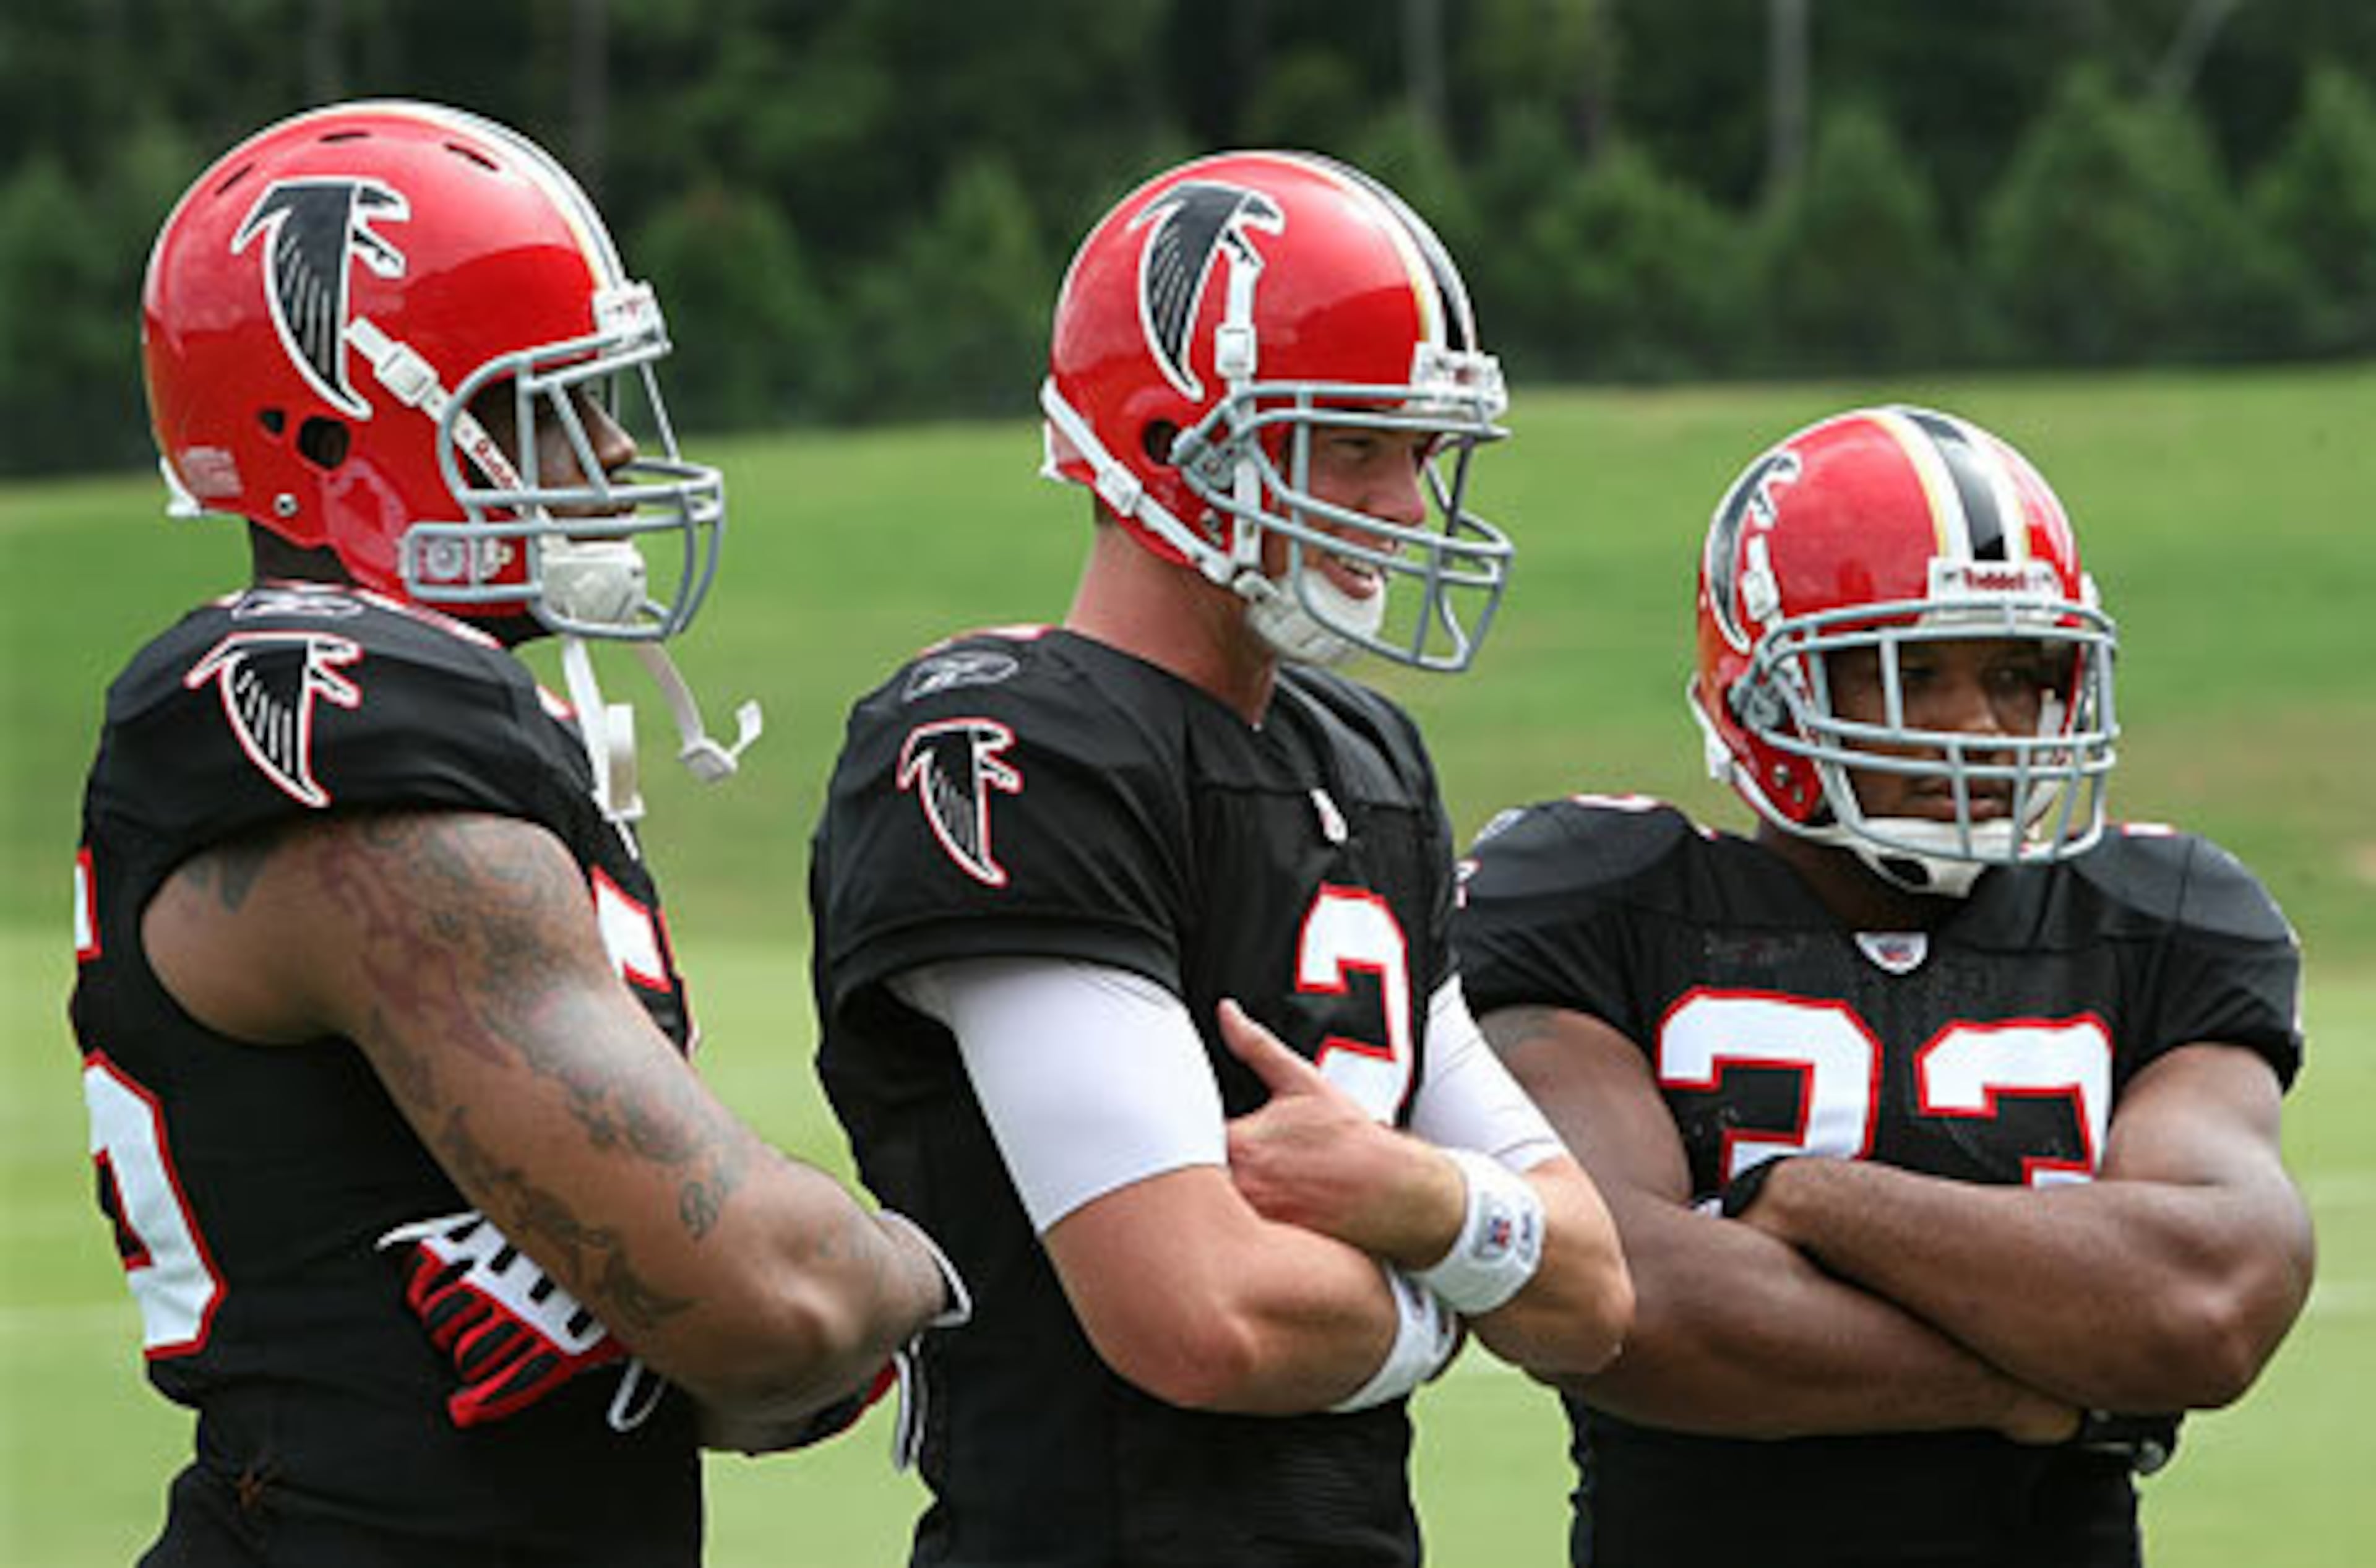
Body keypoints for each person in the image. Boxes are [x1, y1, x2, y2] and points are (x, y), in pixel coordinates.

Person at [73, 100, 961, 1567]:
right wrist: (918, 1265)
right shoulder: (345, 743)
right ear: (339, 423)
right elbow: (765, 1302)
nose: (611, 455)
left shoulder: (459, 736)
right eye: (542, 406)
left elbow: (718, 1356)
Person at [807, 150, 1632, 1567]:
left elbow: (1597, 1295)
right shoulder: (1015, 742)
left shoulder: (1360, 760)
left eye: (1417, 452)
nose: (1399, 503)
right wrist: (1455, 1289)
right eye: (1356, 442)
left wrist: (1424, 1201)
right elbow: (1203, 1318)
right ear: (1168, 439)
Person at [1451, 404, 2316, 1567]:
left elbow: (2209, 1299)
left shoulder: (2158, 916)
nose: (1979, 723)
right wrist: (2042, 1389)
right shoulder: (1595, 899)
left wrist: (1816, 1200)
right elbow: (1632, 1300)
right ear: (1763, 693)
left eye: (2019, 672)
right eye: (1910, 673)